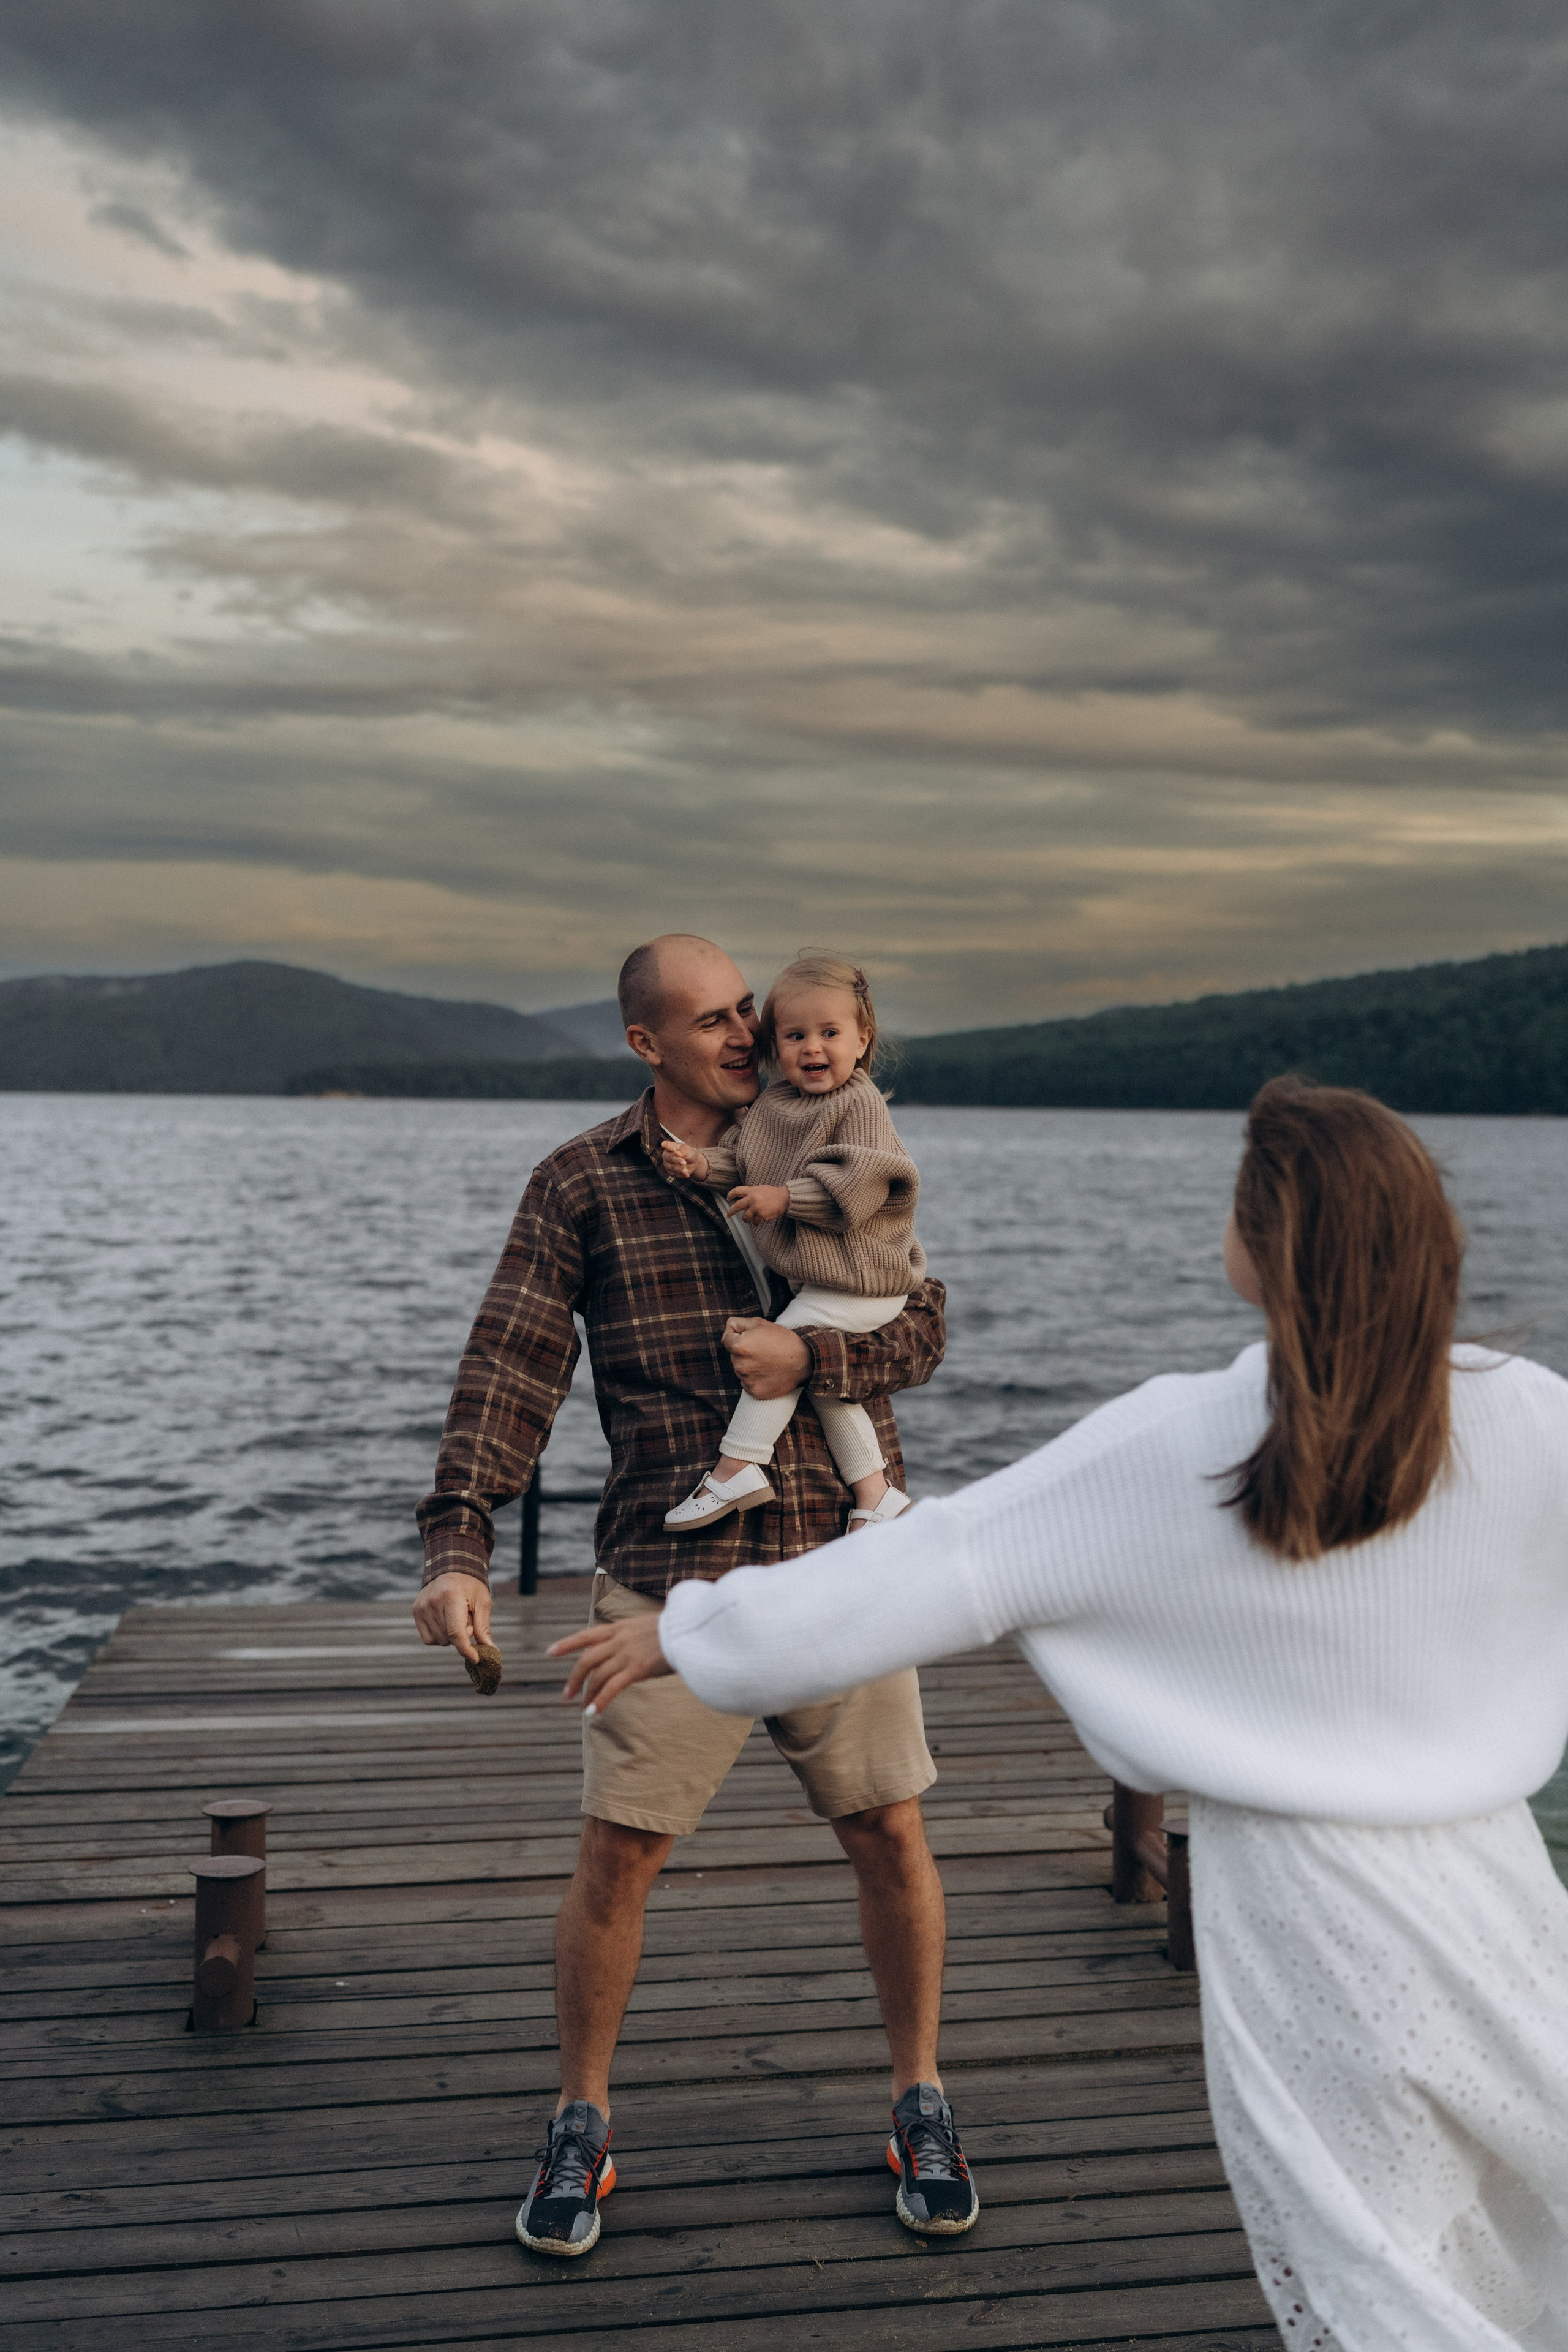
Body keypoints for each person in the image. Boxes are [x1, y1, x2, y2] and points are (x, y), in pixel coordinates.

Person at [553, 1077, 1568, 2348]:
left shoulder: (1180, 1443)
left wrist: (687, 1630)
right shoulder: (1531, 1418)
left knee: (1372, 2266)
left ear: (1261, 1245)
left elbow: (931, 1569)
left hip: (1307, 1921)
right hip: (1501, 1895)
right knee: (1529, 2217)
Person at [412, 933, 979, 2261]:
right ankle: (580, 2119)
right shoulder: (579, 1187)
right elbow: (510, 1364)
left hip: (846, 1566)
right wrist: (457, 1545)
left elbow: (924, 1325)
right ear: (642, 1044)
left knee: (889, 1832)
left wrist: (810, 1357)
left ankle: (921, 2097)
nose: (744, 1035)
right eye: (713, 1020)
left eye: (750, 1014)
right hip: (674, 1584)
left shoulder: (832, 1139)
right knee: (621, 1850)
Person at [661, 952, 924, 1537]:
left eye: (830, 1033)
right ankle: (876, 1494)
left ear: (862, 1041)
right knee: (829, 1386)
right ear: (772, 1047)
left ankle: (738, 1465)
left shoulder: (859, 1103)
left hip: (864, 1279)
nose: (812, 1048)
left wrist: (785, 1199)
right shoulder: (774, 1107)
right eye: (795, 1035)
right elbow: (745, 1162)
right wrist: (700, 1164)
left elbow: (863, 1180)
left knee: (780, 1349)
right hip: (830, 1282)